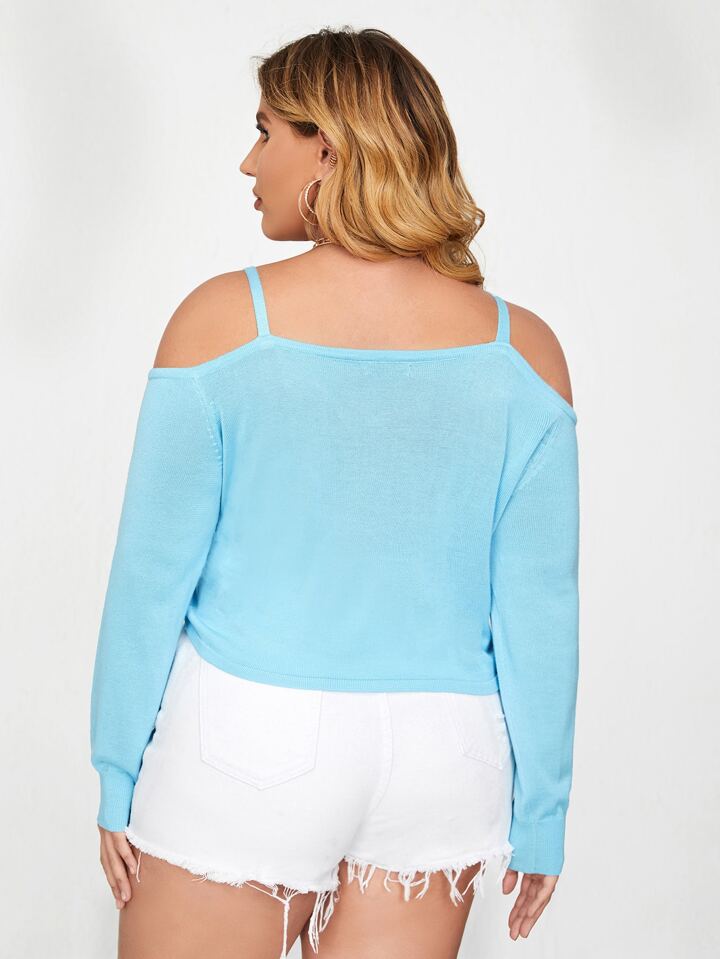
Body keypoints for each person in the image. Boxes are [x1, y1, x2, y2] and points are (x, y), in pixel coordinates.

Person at [90, 26, 580, 959]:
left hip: (251, 733)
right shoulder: (527, 353)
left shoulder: (221, 323)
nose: (249, 161)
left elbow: (152, 576)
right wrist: (544, 812)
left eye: (265, 131)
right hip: (446, 757)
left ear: (328, 147)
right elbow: (539, 606)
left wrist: (116, 766)